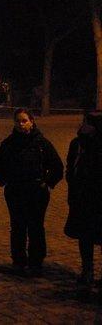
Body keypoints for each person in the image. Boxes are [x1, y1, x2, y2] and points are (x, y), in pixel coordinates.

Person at [0, 108, 63, 277]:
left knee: (36, 226)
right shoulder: (9, 144)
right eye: (18, 121)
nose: (21, 124)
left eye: (24, 120)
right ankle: (18, 261)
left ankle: (36, 262)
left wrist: (47, 183)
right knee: (17, 227)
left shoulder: (42, 143)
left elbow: (57, 166)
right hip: (15, 191)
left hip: (36, 192)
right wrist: (4, 181)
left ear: (32, 121)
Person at [64, 110, 102, 296]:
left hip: (97, 199)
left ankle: (92, 273)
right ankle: (87, 270)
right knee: (85, 236)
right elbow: (70, 169)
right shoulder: (77, 143)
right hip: (82, 198)